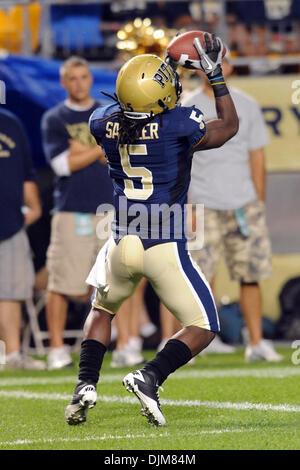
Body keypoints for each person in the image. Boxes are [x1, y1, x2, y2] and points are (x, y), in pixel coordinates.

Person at [65, 33, 239, 427]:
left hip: (120, 242)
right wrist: (215, 76)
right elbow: (227, 126)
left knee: (103, 308)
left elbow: (138, 109)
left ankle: (84, 386)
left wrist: (161, 70)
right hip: (162, 245)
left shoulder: (101, 123)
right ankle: (150, 375)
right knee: (204, 325)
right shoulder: (181, 125)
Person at [182, 53, 283, 362]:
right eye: (209, 61)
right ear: (200, 68)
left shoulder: (247, 103)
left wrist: (257, 200)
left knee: (250, 275)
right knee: (202, 275)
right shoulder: (187, 107)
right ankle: (204, 339)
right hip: (203, 203)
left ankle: (256, 342)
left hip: (243, 204)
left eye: (220, 60)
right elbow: (180, 160)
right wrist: (187, 205)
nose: (215, 66)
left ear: (230, 66)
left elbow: (257, 155)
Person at [41, 56, 114, 370]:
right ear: (64, 82)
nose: (79, 83)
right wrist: (99, 149)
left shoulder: (107, 114)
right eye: (73, 78)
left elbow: (117, 156)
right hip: (72, 212)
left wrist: (80, 150)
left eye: (84, 77)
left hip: (110, 209)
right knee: (62, 283)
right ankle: (56, 349)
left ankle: (127, 344)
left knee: (118, 282)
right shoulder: (54, 118)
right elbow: (62, 165)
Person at [0, 108, 45, 370]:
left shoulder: (12, 122)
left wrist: (33, 205)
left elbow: (26, 172)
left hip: (10, 224)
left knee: (12, 292)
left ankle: (13, 354)